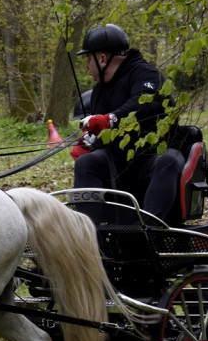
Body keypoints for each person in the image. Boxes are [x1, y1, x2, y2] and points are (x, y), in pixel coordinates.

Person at [71, 23, 184, 223]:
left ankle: (149, 230)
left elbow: (144, 103)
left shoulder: (147, 74)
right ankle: (90, 233)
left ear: (102, 58)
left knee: (168, 161)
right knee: (86, 163)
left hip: (153, 157)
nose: (87, 66)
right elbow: (104, 132)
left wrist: (110, 120)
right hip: (118, 162)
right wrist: (91, 142)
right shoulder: (99, 91)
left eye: (89, 59)